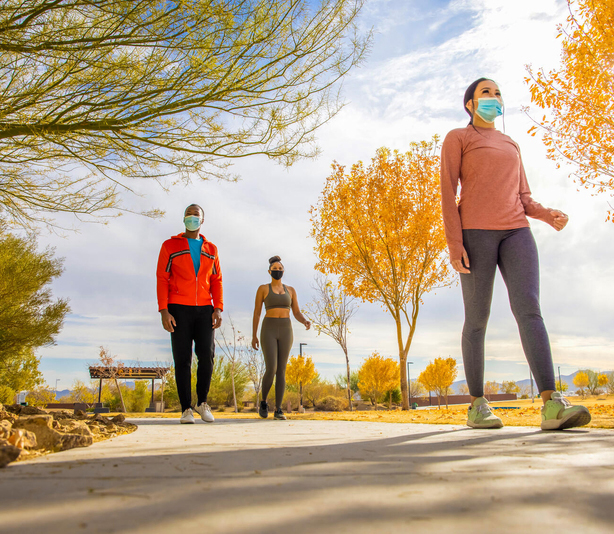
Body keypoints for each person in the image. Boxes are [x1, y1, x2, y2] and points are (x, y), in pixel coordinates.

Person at [440, 77, 591, 430]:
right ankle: (477, 404)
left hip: (516, 231)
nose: (494, 97)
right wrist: (454, 243)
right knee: (477, 318)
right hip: (475, 234)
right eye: (486, 92)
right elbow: (448, 191)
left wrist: (545, 214)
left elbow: (523, 196)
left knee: (530, 311)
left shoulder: (511, 144)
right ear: (470, 104)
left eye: (497, 92)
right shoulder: (458, 138)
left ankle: (551, 403)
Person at [156, 204, 223, 424]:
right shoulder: (170, 246)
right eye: (189, 214)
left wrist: (218, 308)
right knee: (182, 359)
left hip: (204, 309)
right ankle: (186, 409)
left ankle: (202, 403)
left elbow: (216, 281)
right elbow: (162, 278)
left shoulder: (211, 249)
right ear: (183, 218)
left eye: (197, 215)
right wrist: (164, 310)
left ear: (202, 220)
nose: (192, 217)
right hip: (178, 308)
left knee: (207, 355)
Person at [251, 256, 311, 420]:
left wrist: (304, 320)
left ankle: (278, 409)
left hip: (286, 329)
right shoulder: (263, 289)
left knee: (282, 370)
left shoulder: (290, 290)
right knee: (272, 368)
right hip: (268, 328)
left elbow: (296, 312)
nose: (277, 271)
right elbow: (257, 313)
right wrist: (254, 335)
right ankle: (263, 401)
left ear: (283, 271)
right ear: (269, 271)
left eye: (280, 269)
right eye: (274, 269)